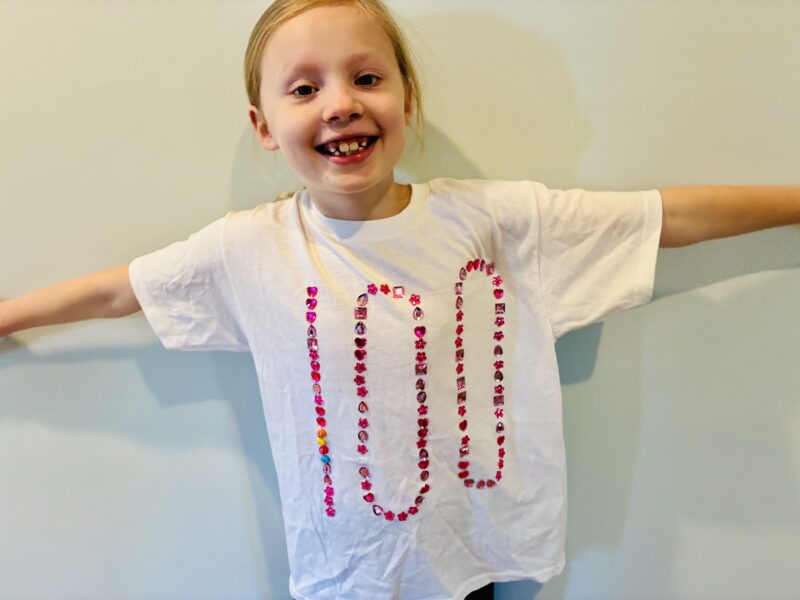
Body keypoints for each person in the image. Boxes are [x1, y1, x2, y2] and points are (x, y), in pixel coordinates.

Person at [0, 0, 797, 598]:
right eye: (304, 87)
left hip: (473, 558)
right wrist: (8, 315)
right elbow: (121, 290)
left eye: (366, 78)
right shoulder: (250, 250)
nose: (339, 103)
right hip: (349, 571)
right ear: (264, 126)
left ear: (407, 100)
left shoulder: (494, 222)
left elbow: (665, 218)